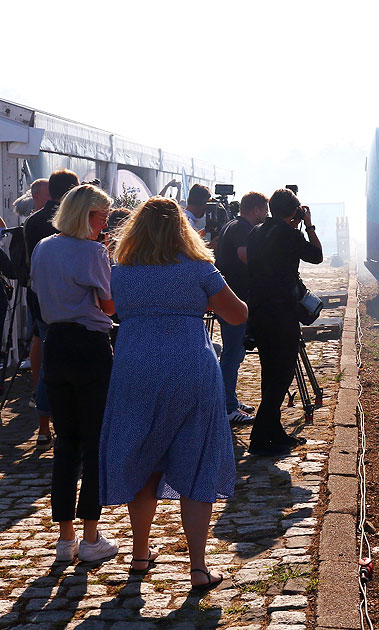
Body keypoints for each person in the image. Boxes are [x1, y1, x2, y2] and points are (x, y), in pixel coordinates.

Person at [99, 197, 246, 587]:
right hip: (189, 368)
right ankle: (198, 567)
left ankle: (140, 555)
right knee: (197, 459)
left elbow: (109, 309)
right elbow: (237, 314)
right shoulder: (200, 268)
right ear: (182, 229)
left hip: (134, 369)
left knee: (142, 456)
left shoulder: (122, 271)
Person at [30, 184, 118, 563]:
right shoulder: (93, 251)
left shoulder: (44, 246)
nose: (105, 224)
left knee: (66, 442)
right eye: (102, 217)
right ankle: (90, 535)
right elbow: (109, 305)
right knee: (95, 440)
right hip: (88, 346)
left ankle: (65, 538)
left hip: (56, 343)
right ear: (88, 216)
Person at [246, 188, 322, 457]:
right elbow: (316, 255)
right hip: (282, 313)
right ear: (294, 211)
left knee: (271, 374)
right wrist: (308, 225)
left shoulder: (256, 232)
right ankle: (260, 438)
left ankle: (273, 432)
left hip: (259, 312)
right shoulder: (289, 234)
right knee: (282, 375)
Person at [25, 170, 79, 446]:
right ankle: (71, 424)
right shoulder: (71, 221)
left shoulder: (32, 222)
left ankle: (44, 427)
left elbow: (27, 266)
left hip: (41, 297)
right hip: (72, 301)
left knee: (47, 359)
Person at [214, 191, 268, 423]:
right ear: (255, 209)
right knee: (232, 353)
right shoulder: (242, 229)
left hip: (230, 298)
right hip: (235, 300)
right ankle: (227, 407)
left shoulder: (231, 225)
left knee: (234, 352)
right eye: (264, 209)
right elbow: (244, 256)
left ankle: (230, 399)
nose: (266, 214)